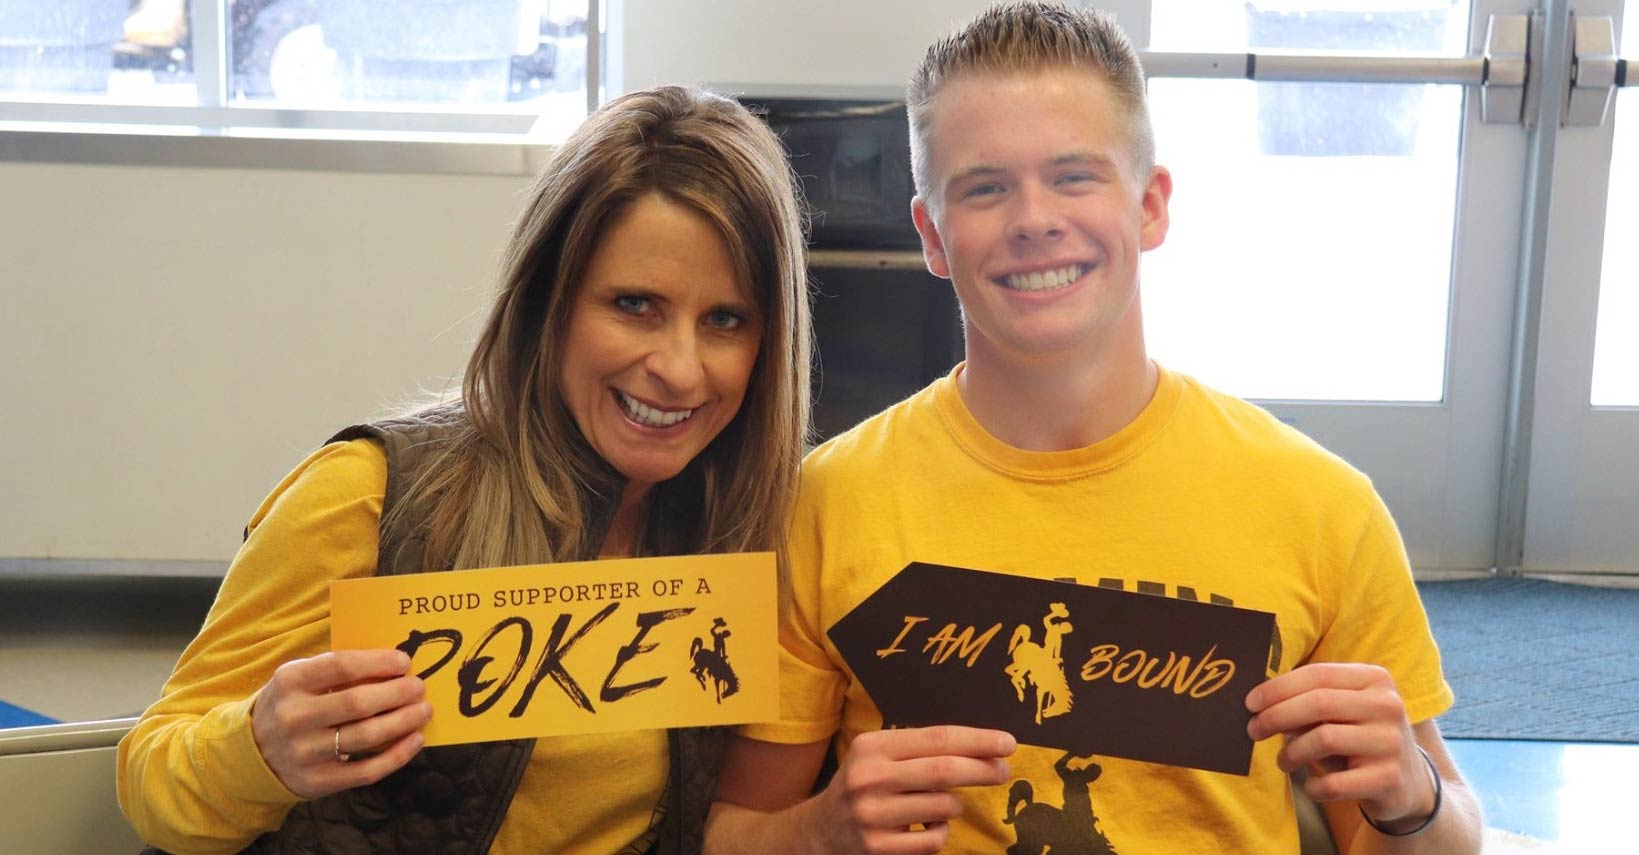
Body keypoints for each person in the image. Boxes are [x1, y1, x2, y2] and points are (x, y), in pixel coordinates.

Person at [705, 4, 1483, 854]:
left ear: (1149, 206)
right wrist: (820, 832)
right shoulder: (826, 501)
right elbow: (734, 831)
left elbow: (1434, 837)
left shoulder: (1319, 507)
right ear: (932, 234)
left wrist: (1412, 795)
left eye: (1074, 176)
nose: (1034, 217)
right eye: (985, 186)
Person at [117, 84, 812, 855]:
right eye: (634, 304)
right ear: (547, 302)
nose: (679, 370)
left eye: (725, 320)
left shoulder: (758, 527)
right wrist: (259, 751)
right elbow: (157, 786)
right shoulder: (369, 494)